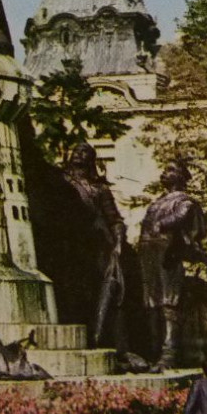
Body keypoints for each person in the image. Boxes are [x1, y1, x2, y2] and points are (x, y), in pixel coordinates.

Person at [137, 161, 207, 369]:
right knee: (151, 302)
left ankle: (169, 353)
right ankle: (154, 351)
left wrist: (163, 224)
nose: (165, 172)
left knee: (168, 302)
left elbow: (182, 216)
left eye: (170, 169)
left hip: (169, 252)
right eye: (165, 169)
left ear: (181, 177)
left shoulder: (185, 201)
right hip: (148, 251)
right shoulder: (157, 202)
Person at [62, 142, 128, 350]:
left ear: (91, 160)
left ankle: (100, 338)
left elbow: (115, 219)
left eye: (84, 152)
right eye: (76, 151)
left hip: (98, 244)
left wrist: (118, 243)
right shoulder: (61, 182)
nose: (79, 154)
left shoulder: (100, 189)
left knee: (102, 290)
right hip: (69, 242)